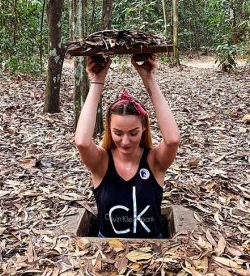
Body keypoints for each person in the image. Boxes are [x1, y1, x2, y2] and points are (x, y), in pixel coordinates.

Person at [74, 54, 180, 239]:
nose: (125, 141)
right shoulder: (101, 162)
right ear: (109, 129)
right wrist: (97, 81)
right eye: (118, 133)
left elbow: (172, 140)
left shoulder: (154, 161)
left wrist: (149, 79)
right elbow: (82, 142)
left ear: (144, 128)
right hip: (106, 252)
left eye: (133, 133)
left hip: (154, 252)